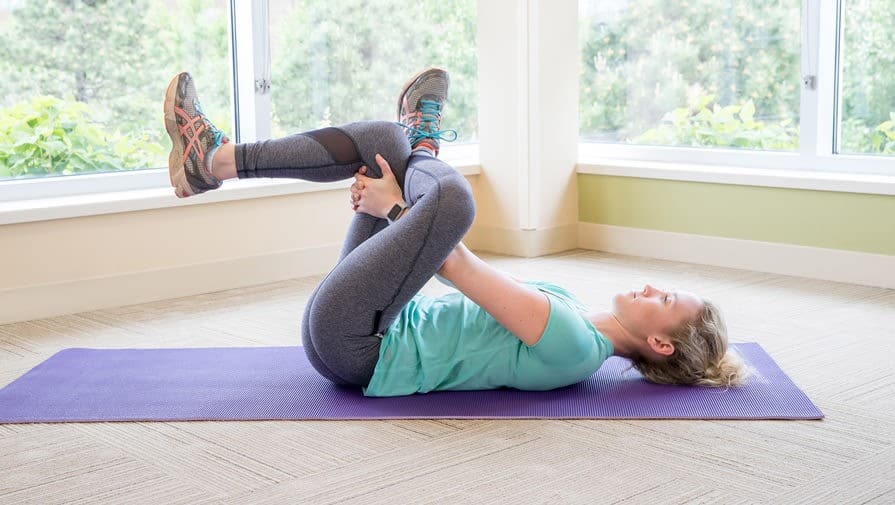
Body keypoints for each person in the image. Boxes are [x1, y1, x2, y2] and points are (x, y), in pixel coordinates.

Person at [163, 68, 748, 397]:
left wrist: (396, 211)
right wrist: (394, 212)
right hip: (360, 326)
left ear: (662, 345)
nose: (651, 287)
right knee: (382, 147)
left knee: (454, 203)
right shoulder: (573, 314)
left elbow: (456, 266)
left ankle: (424, 145)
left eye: (664, 300)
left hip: (359, 345)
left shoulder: (575, 346)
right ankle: (214, 161)